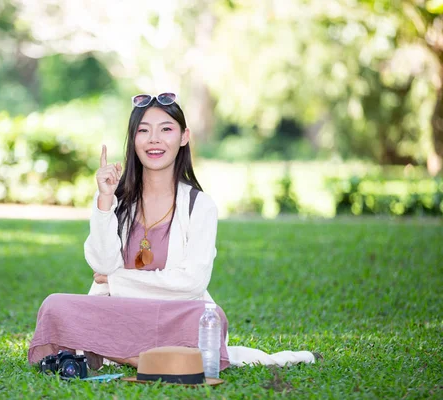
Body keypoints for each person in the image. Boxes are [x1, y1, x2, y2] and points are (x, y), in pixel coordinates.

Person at [28, 92, 315, 370]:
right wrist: (104, 200)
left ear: (184, 137)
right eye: (144, 131)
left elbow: (192, 283)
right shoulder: (117, 201)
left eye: (166, 129)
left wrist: (118, 280)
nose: (154, 139)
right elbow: (102, 266)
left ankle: (111, 351)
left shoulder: (200, 206)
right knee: (55, 305)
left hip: (174, 316)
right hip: (120, 314)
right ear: (134, 139)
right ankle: (146, 357)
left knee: (206, 317)